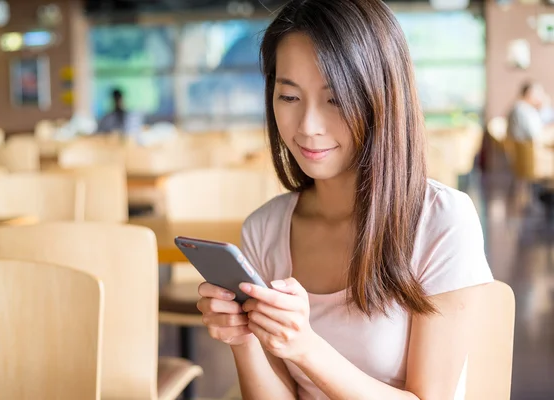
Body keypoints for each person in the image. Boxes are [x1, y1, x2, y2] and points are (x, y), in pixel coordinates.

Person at [196, 0, 494, 399]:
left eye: (334, 99)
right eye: (289, 97)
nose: (308, 126)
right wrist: (243, 338)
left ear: (381, 98)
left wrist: (306, 348)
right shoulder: (265, 229)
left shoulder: (441, 220)